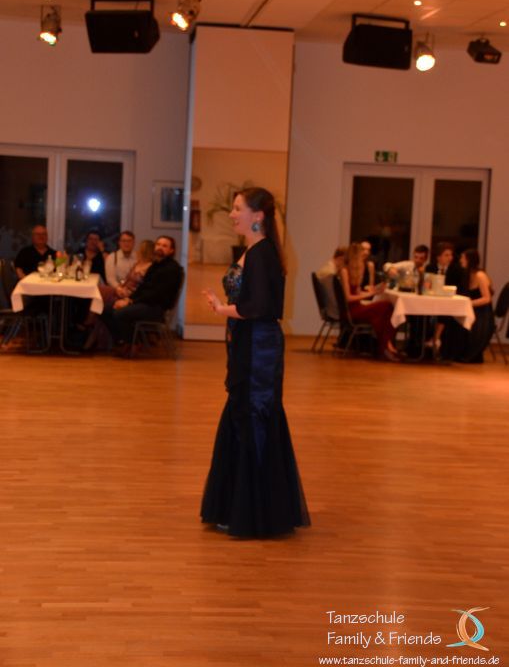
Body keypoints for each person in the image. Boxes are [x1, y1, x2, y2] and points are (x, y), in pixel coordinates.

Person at [201, 186, 310, 538]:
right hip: (250, 342)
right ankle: (241, 505)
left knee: (253, 414)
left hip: (259, 347)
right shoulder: (256, 250)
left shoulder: (262, 253)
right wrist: (224, 307)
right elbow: (252, 301)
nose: (232, 214)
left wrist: (223, 309)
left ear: (257, 216)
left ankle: (255, 512)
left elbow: (260, 307)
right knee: (243, 412)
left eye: (238, 208)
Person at [101, 235, 182, 351]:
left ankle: (132, 343)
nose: (160, 247)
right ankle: (123, 341)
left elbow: (155, 294)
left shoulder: (172, 269)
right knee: (105, 310)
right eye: (158, 244)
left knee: (119, 313)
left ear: (171, 250)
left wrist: (130, 302)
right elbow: (142, 288)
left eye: (164, 246)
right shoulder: (156, 265)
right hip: (145, 303)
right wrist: (127, 299)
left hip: (156, 308)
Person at [340, 242, 399, 361]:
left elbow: (359, 293)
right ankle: (385, 346)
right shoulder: (344, 271)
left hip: (358, 306)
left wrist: (376, 291)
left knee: (384, 312)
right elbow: (348, 298)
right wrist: (372, 294)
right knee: (386, 307)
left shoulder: (356, 271)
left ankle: (384, 346)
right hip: (351, 310)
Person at [441, 249, 495, 363]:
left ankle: (461, 352)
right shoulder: (467, 275)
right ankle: (448, 352)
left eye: (463, 258)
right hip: (473, 310)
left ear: (469, 260)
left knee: (458, 321)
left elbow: (487, 298)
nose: (460, 260)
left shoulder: (480, 275)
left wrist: (469, 303)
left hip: (482, 314)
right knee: (452, 320)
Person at [316, 246, 347, 320]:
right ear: (341, 259)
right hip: (334, 312)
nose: (346, 266)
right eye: (346, 262)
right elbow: (334, 300)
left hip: (330, 310)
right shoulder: (330, 274)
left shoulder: (328, 269)